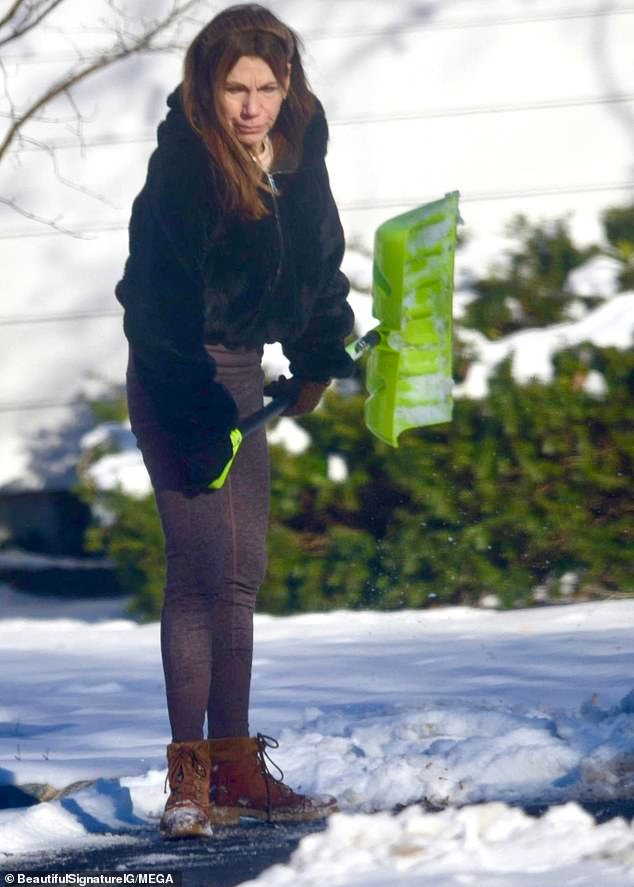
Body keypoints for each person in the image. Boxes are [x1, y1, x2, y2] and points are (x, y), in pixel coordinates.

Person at [115, 4, 355, 839]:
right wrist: (197, 407)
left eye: (265, 87)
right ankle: (188, 782)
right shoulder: (183, 167)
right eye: (233, 88)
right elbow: (150, 305)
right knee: (199, 572)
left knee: (243, 573)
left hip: (246, 370)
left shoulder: (296, 154)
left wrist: (321, 356)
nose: (250, 105)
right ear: (206, 89)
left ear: (287, 86)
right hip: (178, 373)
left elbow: (321, 261)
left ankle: (238, 767)